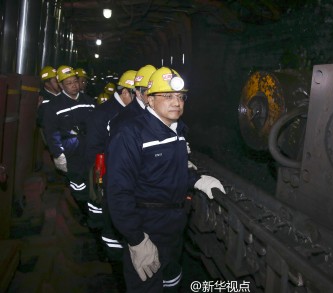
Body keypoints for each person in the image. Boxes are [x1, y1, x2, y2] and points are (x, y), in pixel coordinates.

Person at [106, 67, 225, 292]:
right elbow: (118, 191)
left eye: (180, 97)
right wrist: (136, 239)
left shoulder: (177, 130)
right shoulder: (131, 133)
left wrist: (196, 180)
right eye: (167, 96)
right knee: (147, 284)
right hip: (147, 225)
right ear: (149, 100)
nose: (176, 102)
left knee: (171, 279)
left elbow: (171, 170)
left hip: (174, 222)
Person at [85, 69, 137, 261]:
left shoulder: (131, 111)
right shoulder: (104, 113)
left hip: (120, 175)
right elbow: (92, 149)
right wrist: (99, 177)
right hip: (104, 172)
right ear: (125, 93)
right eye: (137, 93)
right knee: (102, 214)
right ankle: (105, 254)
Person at [43, 65, 95, 221]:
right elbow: (51, 133)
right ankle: (85, 213)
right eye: (69, 83)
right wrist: (58, 154)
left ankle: (94, 216)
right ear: (60, 85)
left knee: (94, 185)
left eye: (75, 81)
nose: (74, 86)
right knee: (79, 187)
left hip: (90, 150)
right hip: (71, 153)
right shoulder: (54, 106)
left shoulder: (89, 101)